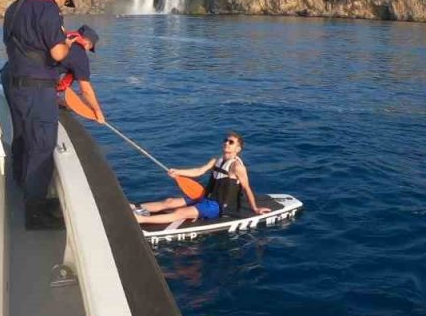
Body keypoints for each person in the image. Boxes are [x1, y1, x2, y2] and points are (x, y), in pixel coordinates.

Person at [1, 0, 79, 229]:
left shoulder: (15, 6)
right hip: (37, 88)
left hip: (14, 83)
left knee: (22, 136)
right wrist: (67, 44)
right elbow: (57, 52)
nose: (62, 5)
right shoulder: (47, 9)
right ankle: (35, 212)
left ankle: (19, 184)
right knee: (43, 145)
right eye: (65, 0)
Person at [133, 132, 271, 224]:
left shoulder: (237, 167)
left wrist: (255, 209)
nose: (227, 143)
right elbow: (198, 171)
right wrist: (178, 172)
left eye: (231, 142)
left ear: (238, 149)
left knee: (180, 212)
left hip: (217, 206)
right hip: (205, 197)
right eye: (226, 141)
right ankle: (135, 208)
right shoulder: (216, 160)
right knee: (169, 202)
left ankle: (140, 219)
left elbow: (247, 188)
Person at [56, 24, 105, 124]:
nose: (87, 50)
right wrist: (98, 112)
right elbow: (86, 89)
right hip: (36, 90)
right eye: (90, 47)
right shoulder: (80, 56)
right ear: (88, 43)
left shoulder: (59, 39)